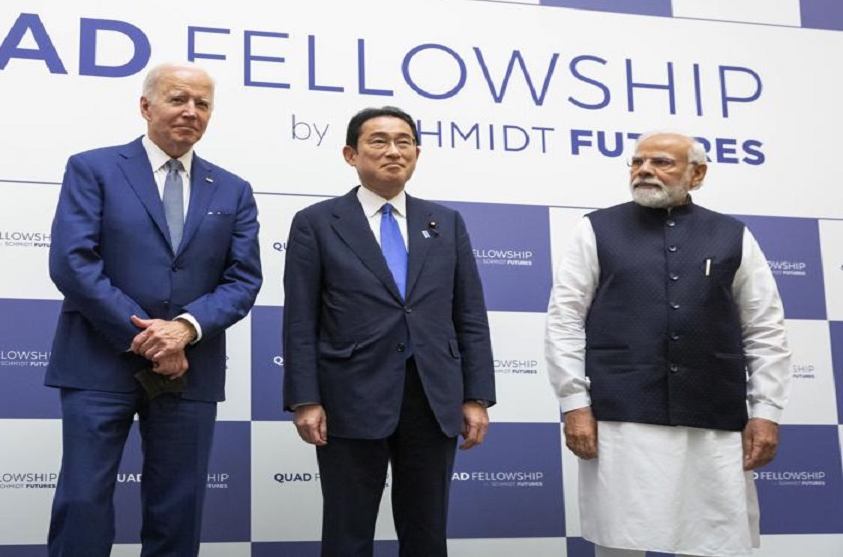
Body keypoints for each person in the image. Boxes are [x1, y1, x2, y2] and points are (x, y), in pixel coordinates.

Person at [45, 62, 262, 556]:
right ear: (146, 106)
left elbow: (244, 279)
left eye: (202, 104)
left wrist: (184, 330)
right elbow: (73, 262)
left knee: (178, 508)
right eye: (178, 99)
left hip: (191, 368)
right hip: (99, 362)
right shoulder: (92, 167)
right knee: (83, 502)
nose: (190, 112)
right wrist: (147, 336)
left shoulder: (233, 189)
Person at [544, 131, 791, 557]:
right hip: (622, 415)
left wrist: (767, 412)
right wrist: (574, 404)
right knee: (621, 539)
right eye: (637, 162)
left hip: (712, 416)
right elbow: (564, 320)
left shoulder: (732, 235)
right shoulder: (596, 228)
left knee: (715, 539)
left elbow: (765, 328)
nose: (644, 171)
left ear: (697, 174)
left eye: (661, 163)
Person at [282, 106, 496, 556]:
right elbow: (301, 319)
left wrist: (476, 395)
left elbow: (470, 315)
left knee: (426, 532)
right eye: (378, 141)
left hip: (433, 394)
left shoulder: (446, 222)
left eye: (404, 141)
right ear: (350, 154)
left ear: (417, 152)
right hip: (349, 395)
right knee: (347, 530)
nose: (393, 151)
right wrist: (306, 398)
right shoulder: (317, 222)